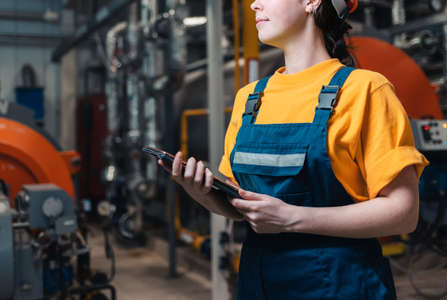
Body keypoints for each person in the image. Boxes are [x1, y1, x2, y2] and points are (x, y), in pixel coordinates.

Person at [160, 0, 429, 298]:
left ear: (311, 2)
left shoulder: (365, 91)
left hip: (341, 283)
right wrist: (201, 192)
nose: (254, 5)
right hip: (259, 283)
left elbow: (404, 212)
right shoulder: (249, 98)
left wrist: (291, 217)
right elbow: (241, 205)